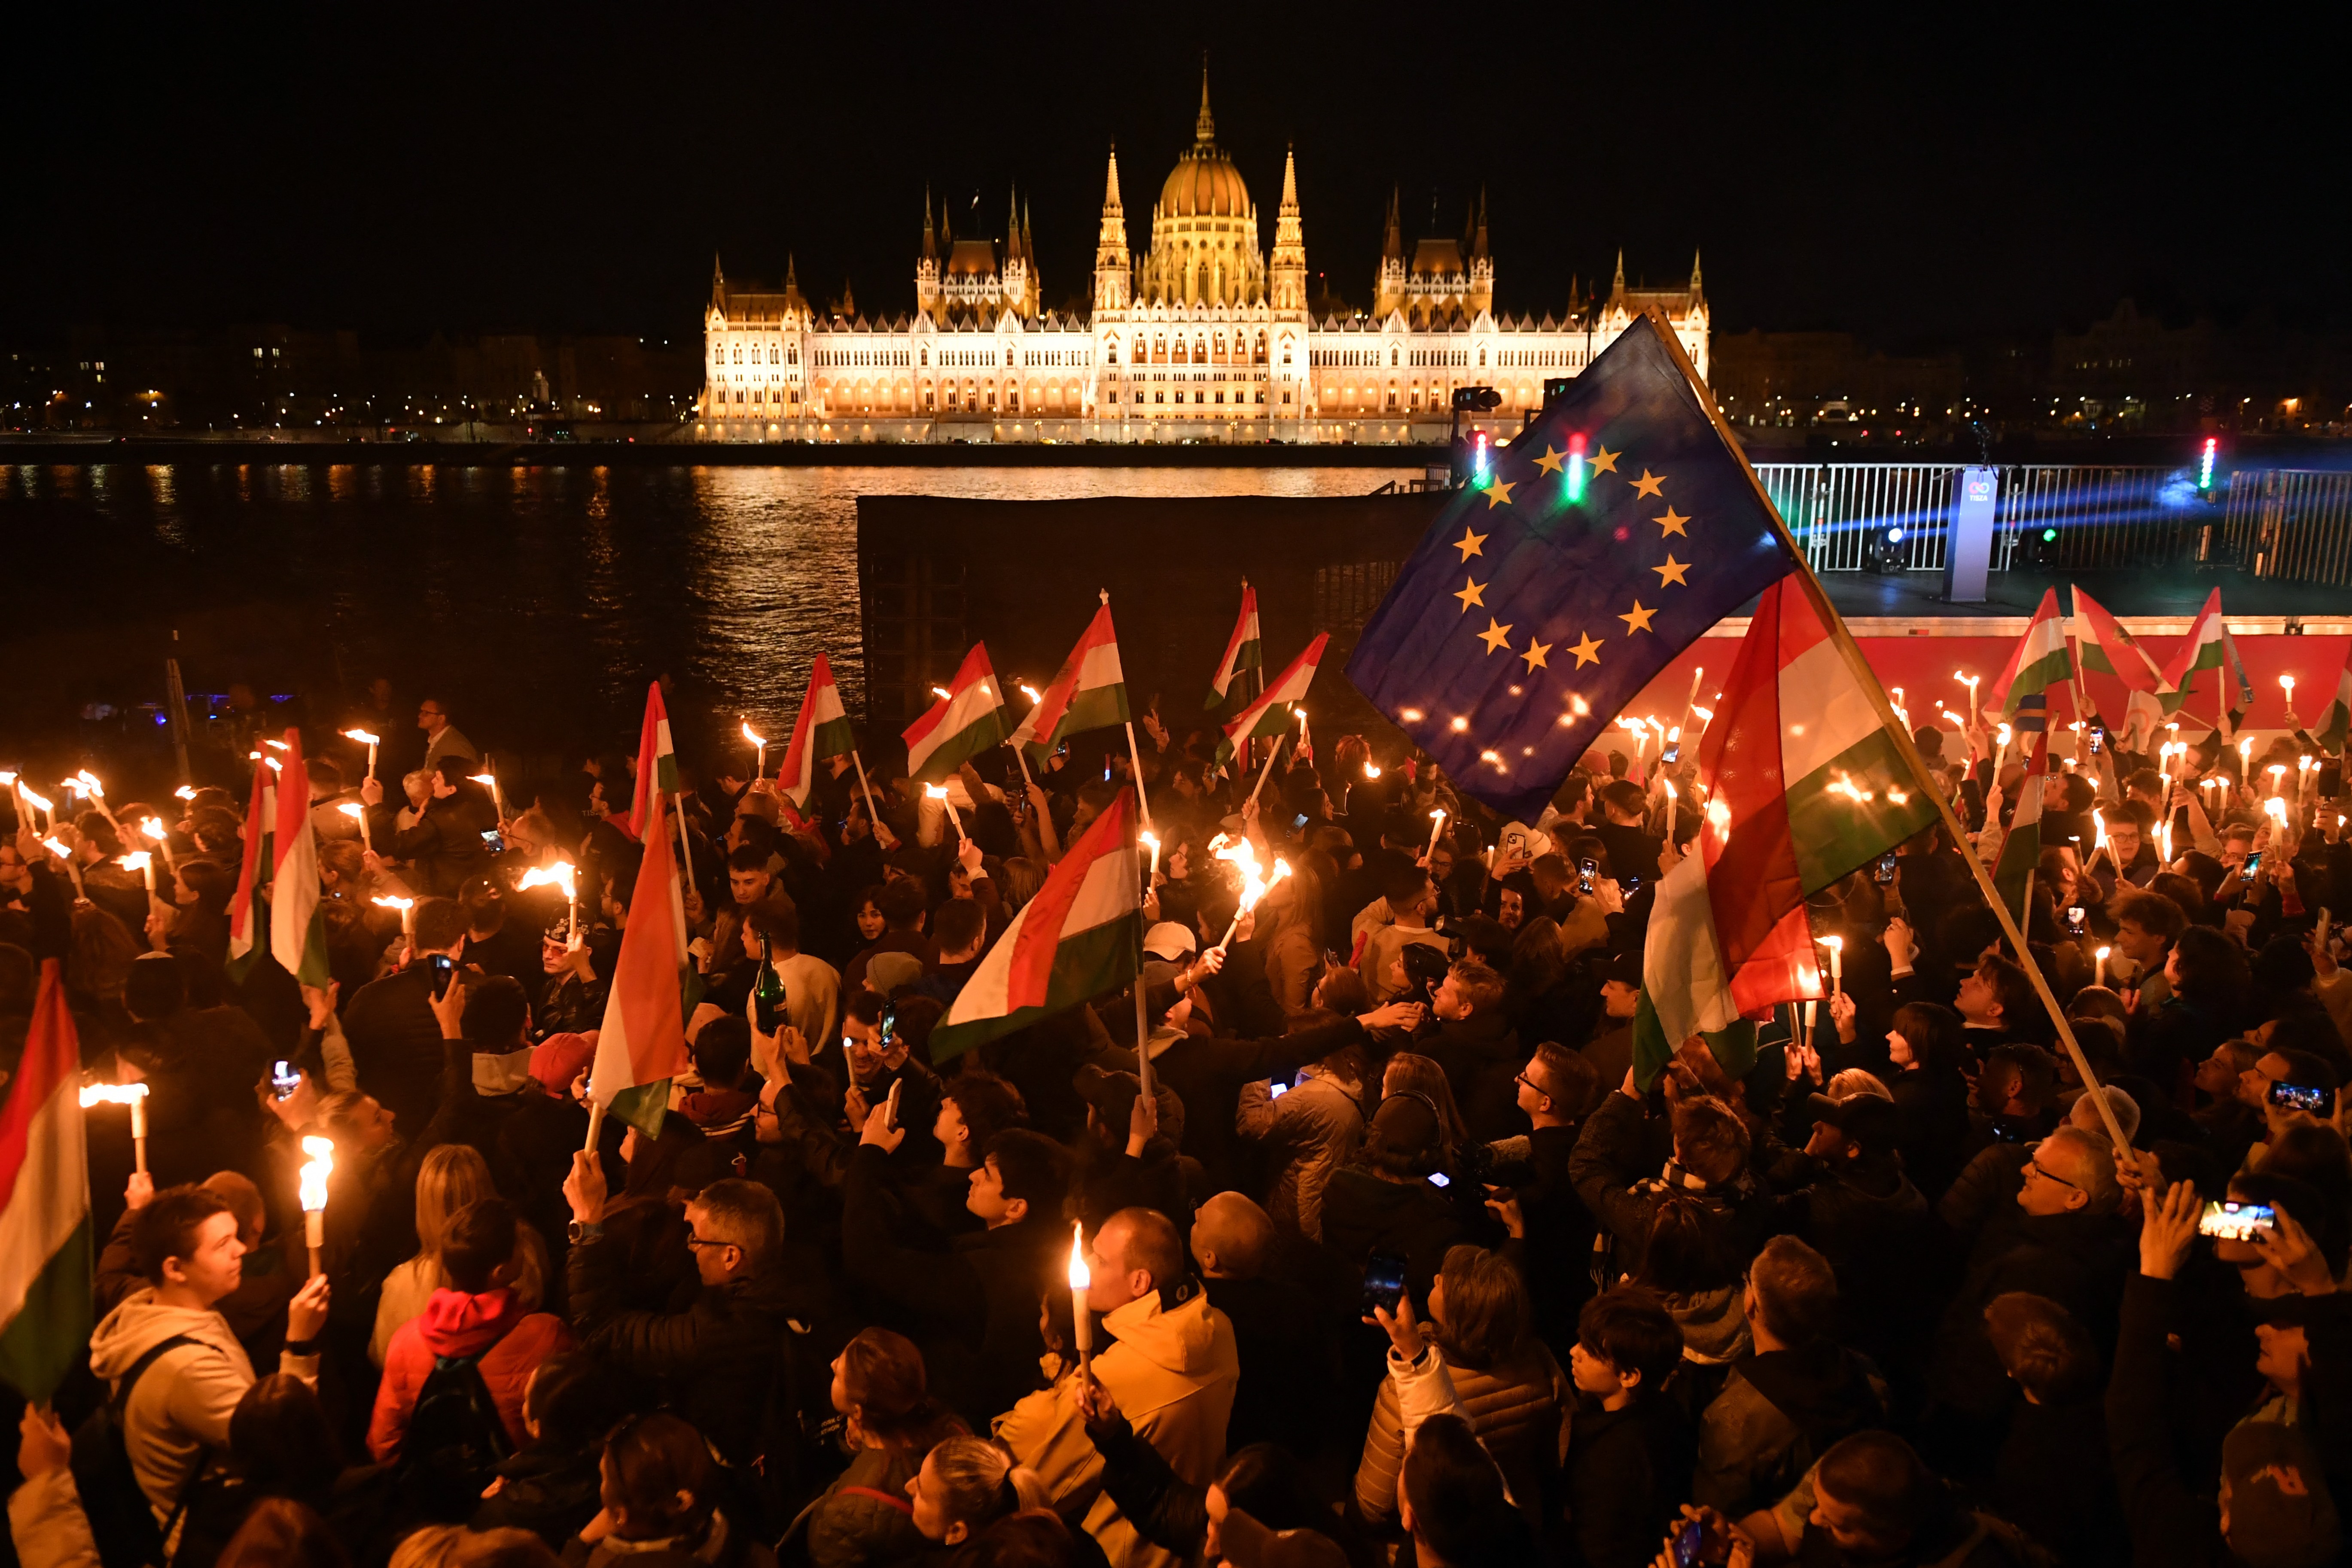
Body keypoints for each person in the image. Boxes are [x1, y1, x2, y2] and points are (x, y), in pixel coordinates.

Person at [995, 1207, 1239, 1568]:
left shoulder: (1111, 1379)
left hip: (1123, 1551)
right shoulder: (1218, 1328)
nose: (1088, 1265)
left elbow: (1047, 1490)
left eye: (1101, 1260)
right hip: (1191, 1536)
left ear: (1140, 1282)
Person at [85, 1184, 332, 1525]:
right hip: (223, 1541)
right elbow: (288, 1445)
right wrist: (300, 1344)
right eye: (221, 1244)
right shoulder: (185, 1369)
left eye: (235, 1235)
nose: (242, 1249)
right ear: (175, 1268)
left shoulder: (153, 1310)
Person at [561, 1164, 813, 1470]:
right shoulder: (786, 1279)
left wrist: (586, 1223)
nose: (690, 1245)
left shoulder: (723, 1331)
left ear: (730, 1256)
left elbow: (601, 1329)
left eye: (697, 1237)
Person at [1354, 1244, 1570, 1541]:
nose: (1436, 1277)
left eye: (1445, 1282)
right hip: (1515, 1528)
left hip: (1438, 1540)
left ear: (1460, 1313)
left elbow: (1373, 1504)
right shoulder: (1541, 1361)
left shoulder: (1402, 1387)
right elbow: (1559, 1454)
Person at [1691, 1236, 1886, 1519]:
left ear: (1751, 1303)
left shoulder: (1733, 1419)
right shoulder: (1866, 1371)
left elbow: (1719, 1516)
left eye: (1748, 1282)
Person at [370, 1197, 574, 1461]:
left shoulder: (405, 1343)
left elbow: (383, 1442)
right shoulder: (547, 1336)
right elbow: (568, 1432)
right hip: (514, 1494)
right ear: (500, 1273)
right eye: (519, 1247)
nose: (525, 1251)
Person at [801, 1329, 966, 1568]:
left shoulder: (844, 1513)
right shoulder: (955, 1429)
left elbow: (827, 1554)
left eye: (838, 1374)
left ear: (858, 1412)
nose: (832, 1363)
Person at [1565, 1286, 1696, 1568]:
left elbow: (1602, 1549)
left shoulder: (1616, 1459)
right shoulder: (1668, 1410)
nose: (1574, 1352)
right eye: (1580, 1340)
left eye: (1591, 1349)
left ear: (1628, 1375)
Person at [567, 1413, 775, 1568]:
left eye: (604, 1478)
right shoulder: (742, 1543)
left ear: (622, 1513)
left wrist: (579, 1544)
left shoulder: (605, 1563)